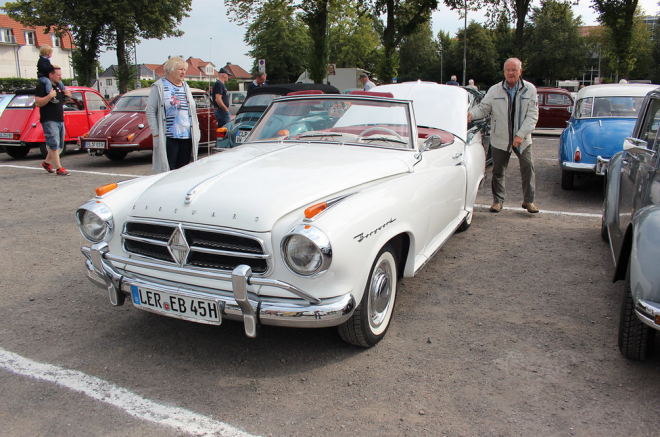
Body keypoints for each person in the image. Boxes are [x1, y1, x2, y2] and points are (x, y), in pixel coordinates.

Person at [468, 57, 539, 213]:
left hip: (523, 139)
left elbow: (532, 116)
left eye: (514, 70)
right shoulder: (495, 90)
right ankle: (498, 201)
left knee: (528, 167)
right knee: (498, 170)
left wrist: (520, 135)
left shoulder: (530, 89)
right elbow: (483, 108)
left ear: (520, 71)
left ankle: (529, 201)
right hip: (500, 138)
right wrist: (471, 114)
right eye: (508, 70)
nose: (511, 73)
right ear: (504, 71)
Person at [146, 56, 200, 173]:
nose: (183, 72)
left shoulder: (186, 87)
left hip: (187, 136)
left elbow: (192, 112)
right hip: (169, 137)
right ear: (171, 70)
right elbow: (150, 110)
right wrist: (156, 134)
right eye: (180, 69)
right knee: (169, 170)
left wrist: (197, 131)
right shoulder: (159, 86)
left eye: (184, 69)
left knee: (184, 170)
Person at [36, 65, 73, 176]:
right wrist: (49, 96)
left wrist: (67, 97)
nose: (60, 77)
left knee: (58, 144)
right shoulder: (42, 87)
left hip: (59, 118)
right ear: (51, 75)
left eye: (61, 75)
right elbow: (38, 102)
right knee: (54, 143)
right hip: (49, 119)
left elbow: (60, 103)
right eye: (58, 75)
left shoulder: (58, 87)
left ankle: (46, 163)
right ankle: (59, 168)